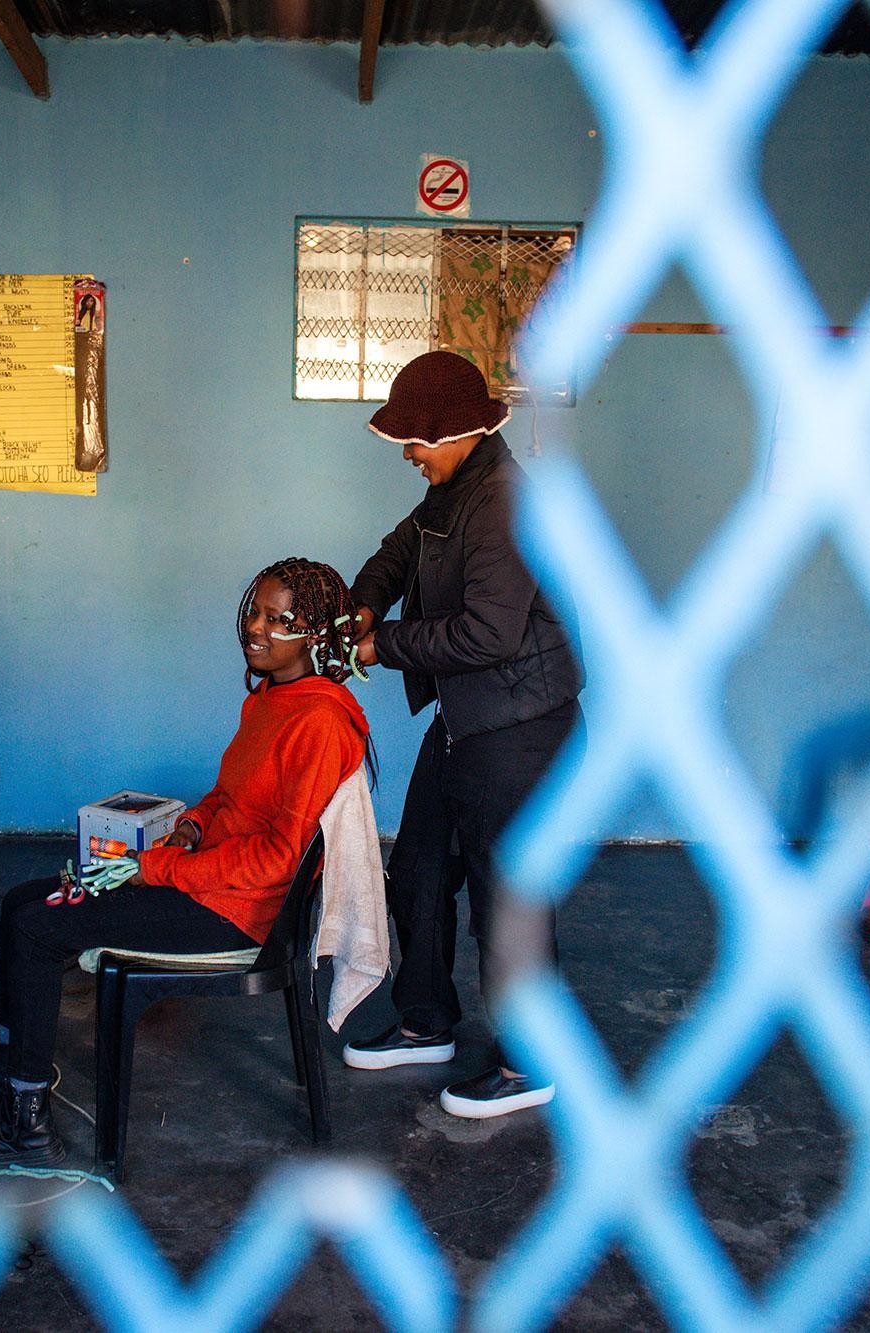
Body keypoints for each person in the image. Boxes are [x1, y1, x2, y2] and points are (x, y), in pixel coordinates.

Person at [0, 558, 370, 1168]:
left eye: (278, 619)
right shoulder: (270, 699)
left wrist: (156, 870)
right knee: (20, 902)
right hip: (208, 883)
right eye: (254, 611)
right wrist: (191, 827)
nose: (255, 628)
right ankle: (6, 1074)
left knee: (38, 926)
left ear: (316, 634)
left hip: (238, 915)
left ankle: (25, 1121)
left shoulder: (319, 722)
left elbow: (278, 858)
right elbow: (229, 798)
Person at [340, 350, 584, 1120]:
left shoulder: (504, 501)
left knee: (508, 894)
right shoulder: (454, 489)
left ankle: (532, 1061)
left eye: (415, 441)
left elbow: (488, 634)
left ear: (456, 433)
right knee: (418, 867)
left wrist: (383, 645)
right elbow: (398, 551)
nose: (408, 454)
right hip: (468, 718)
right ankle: (426, 1022)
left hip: (521, 727)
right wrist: (364, 604)